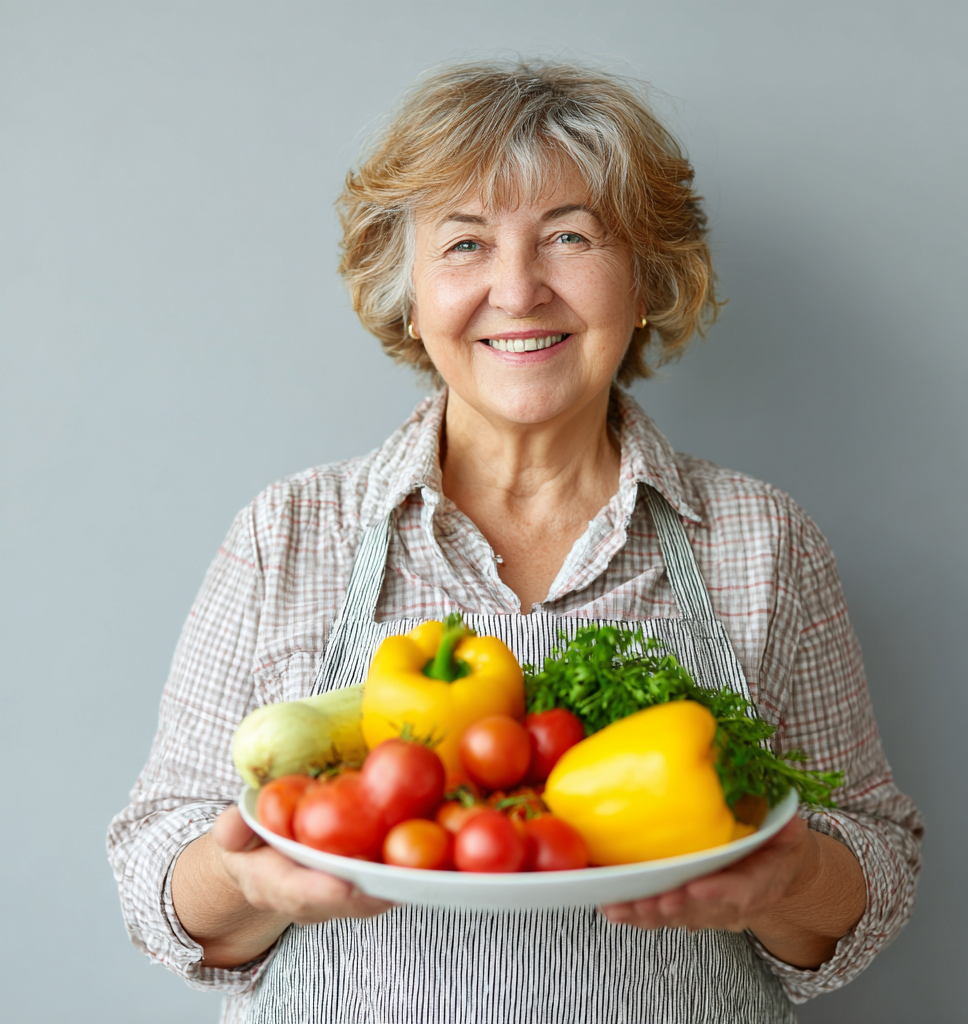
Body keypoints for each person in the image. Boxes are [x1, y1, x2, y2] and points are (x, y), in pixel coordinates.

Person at [108, 60, 923, 1024]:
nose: (518, 289)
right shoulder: (287, 533)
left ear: (647, 280)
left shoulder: (763, 540)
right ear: (407, 291)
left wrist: (787, 885)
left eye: (569, 237)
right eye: (464, 245)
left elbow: (876, 857)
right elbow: (154, 871)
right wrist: (247, 882)